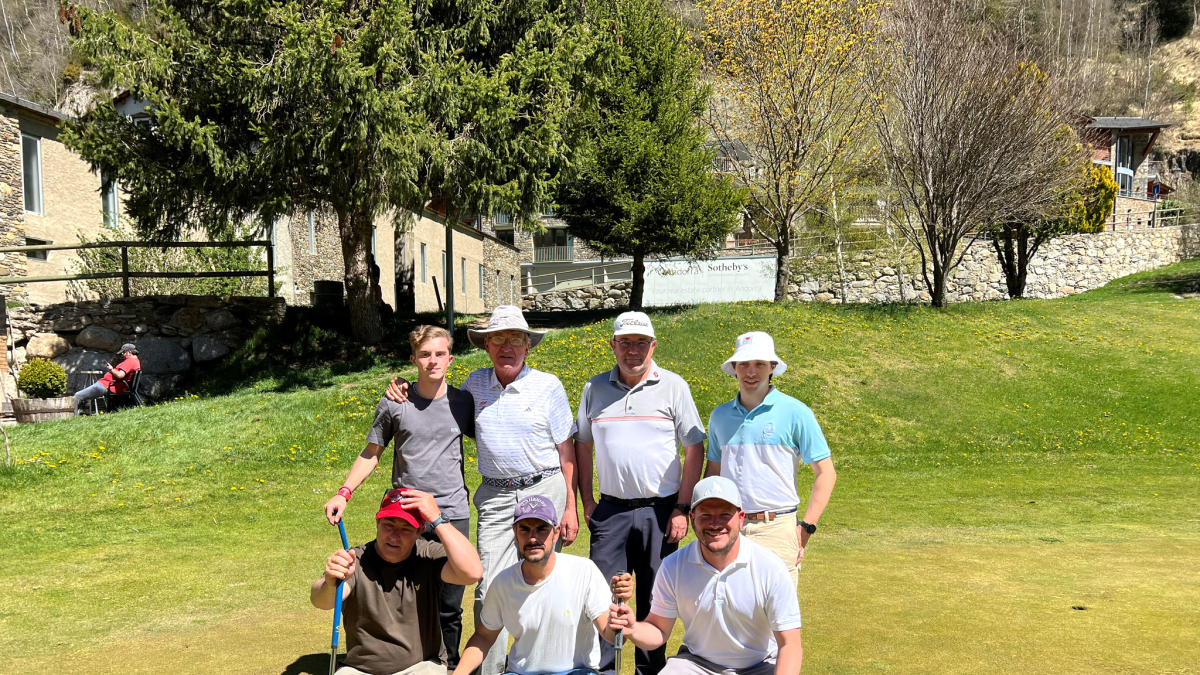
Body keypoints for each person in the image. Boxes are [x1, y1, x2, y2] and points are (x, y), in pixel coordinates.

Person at [387, 305, 579, 675]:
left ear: (528, 347)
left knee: (542, 579)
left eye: (515, 340)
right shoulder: (475, 385)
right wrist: (402, 387)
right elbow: (434, 393)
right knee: (488, 586)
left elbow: (566, 450)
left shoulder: (548, 385)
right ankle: (489, 671)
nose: (507, 346)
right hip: (494, 496)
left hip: (544, 489)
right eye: (498, 339)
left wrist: (570, 507)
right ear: (487, 346)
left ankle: (542, 664)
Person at [325, 325, 477, 669]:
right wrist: (344, 492)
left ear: (451, 359)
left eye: (440, 354)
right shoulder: (395, 403)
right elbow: (372, 452)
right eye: (425, 354)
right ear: (413, 359)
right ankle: (397, 658)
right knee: (400, 597)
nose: (432, 361)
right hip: (405, 515)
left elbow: (491, 438)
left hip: (449, 514)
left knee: (449, 603)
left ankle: (448, 665)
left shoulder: (463, 402)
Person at [574, 312, 706, 675]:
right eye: (625, 342)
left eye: (641, 343)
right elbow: (582, 446)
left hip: (661, 511)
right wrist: (586, 500)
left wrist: (682, 507)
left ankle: (650, 671)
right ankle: (602, 670)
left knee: (654, 600)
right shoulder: (594, 388)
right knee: (603, 598)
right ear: (613, 345)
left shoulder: (674, 386)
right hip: (611, 510)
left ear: (653, 345)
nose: (633, 350)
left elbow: (695, 448)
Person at [607, 476, 803, 675]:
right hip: (696, 664)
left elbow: (790, 645)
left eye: (725, 514)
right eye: (706, 514)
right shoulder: (673, 566)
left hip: (759, 665)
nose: (715, 524)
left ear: (741, 518)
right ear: (692, 519)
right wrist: (633, 628)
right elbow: (659, 630)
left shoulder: (770, 568)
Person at [704, 331, 837, 585]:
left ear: (772, 367)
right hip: (729, 527)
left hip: (777, 528)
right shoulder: (719, 416)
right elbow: (713, 475)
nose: (750, 372)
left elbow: (826, 472)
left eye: (759, 364)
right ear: (734, 368)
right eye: (743, 364)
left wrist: (806, 527)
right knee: (728, 611)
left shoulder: (796, 412)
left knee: (778, 620)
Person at [311, 488, 484, 675]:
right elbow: (322, 601)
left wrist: (438, 518)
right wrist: (329, 583)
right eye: (389, 525)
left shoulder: (429, 555)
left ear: (420, 530)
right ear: (377, 522)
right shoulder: (356, 559)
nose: (394, 535)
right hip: (360, 670)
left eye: (405, 528)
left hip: (423, 666)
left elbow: (472, 572)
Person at [454, 495, 633, 675]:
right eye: (525, 529)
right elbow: (484, 636)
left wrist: (620, 616)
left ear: (555, 533)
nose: (533, 538)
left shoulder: (583, 571)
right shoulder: (503, 583)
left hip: (576, 671)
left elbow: (612, 636)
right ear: (515, 533)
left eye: (542, 529)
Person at [73, 343, 140, 415]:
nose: (122, 355)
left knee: (77, 396)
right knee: (81, 397)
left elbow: (120, 375)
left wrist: (111, 369)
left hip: (106, 385)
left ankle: (73, 417)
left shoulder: (129, 361)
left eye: (123, 353)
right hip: (109, 384)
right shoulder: (136, 361)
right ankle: (77, 413)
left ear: (129, 352)